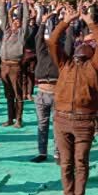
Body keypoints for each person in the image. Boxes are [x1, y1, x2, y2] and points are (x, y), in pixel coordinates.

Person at [48, 3, 98, 195]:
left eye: (86, 50)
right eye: (78, 50)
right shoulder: (65, 65)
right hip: (62, 120)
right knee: (66, 163)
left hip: (84, 121)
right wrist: (66, 21)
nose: (81, 51)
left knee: (80, 162)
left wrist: (90, 22)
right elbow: (53, 41)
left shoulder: (94, 67)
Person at [31, 9, 62, 163]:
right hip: (41, 93)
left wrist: (66, 22)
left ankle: (58, 153)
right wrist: (43, 22)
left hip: (57, 94)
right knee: (42, 125)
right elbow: (38, 39)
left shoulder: (62, 55)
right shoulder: (42, 53)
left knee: (57, 126)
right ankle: (42, 152)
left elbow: (68, 39)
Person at [0, 0, 30, 128]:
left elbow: (26, 18)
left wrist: (23, 0)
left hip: (15, 66)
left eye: (18, 21)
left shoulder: (21, 34)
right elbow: (3, 16)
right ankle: (10, 118)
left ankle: (19, 119)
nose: (15, 22)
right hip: (3, 65)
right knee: (8, 94)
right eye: (14, 21)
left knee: (17, 94)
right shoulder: (6, 32)